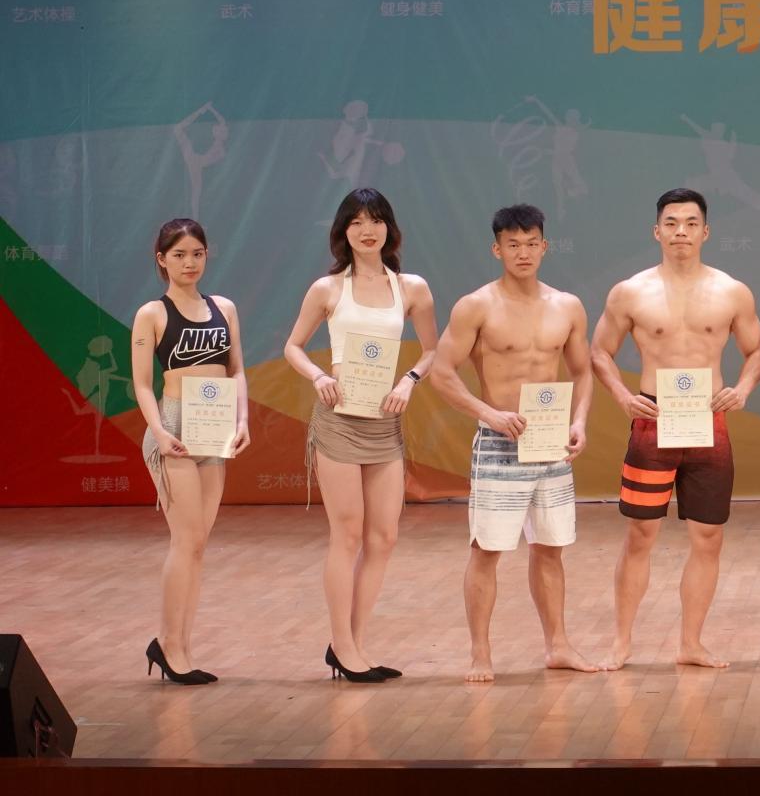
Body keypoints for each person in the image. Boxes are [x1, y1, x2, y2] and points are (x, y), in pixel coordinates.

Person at [590, 188, 760, 670]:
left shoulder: (732, 291)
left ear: (706, 232)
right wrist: (621, 395)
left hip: (709, 421)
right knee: (640, 535)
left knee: (708, 537)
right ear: (657, 231)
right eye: (671, 223)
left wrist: (743, 389)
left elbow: (756, 350)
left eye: (690, 223)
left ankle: (691, 643)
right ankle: (621, 642)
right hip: (653, 418)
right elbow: (600, 350)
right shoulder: (630, 292)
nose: (681, 232)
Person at [431, 204, 596, 682]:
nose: (523, 253)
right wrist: (490, 415)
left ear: (544, 246)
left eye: (531, 243)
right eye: (513, 244)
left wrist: (579, 421)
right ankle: (480, 654)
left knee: (550, 547)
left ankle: (558, 645)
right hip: (499, 443)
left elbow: (582, 372)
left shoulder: (567, 306)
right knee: (487, 550)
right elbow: (441, 373)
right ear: (497, 249)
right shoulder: (476, 306)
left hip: (550, 444)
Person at [283, 189, 439, 682]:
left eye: (375, 220)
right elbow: (293, 347)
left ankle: (355, 644)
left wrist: (409, 381)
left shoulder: (411, 288)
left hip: (384, 421)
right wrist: (318, 376)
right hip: (339, 420)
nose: (367, 230)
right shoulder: (327, 289)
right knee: (347, 533)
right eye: (356, 222)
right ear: (343, 231)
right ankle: (343, 646)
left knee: (384, 536)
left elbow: (431, 350)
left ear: (389, 227)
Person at [130, 218, 250, 684]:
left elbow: (236, 370)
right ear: (161, 259)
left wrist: (242, 419)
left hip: (214, 427)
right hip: (175, 427)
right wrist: (159, 432)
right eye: (179, 255)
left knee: (198, 545)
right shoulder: (152, 313)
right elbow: (142, 383)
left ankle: (179, 644)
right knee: (185, 541)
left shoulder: (224, 308)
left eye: (197, 253)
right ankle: (169, 645)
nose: (189, 263)